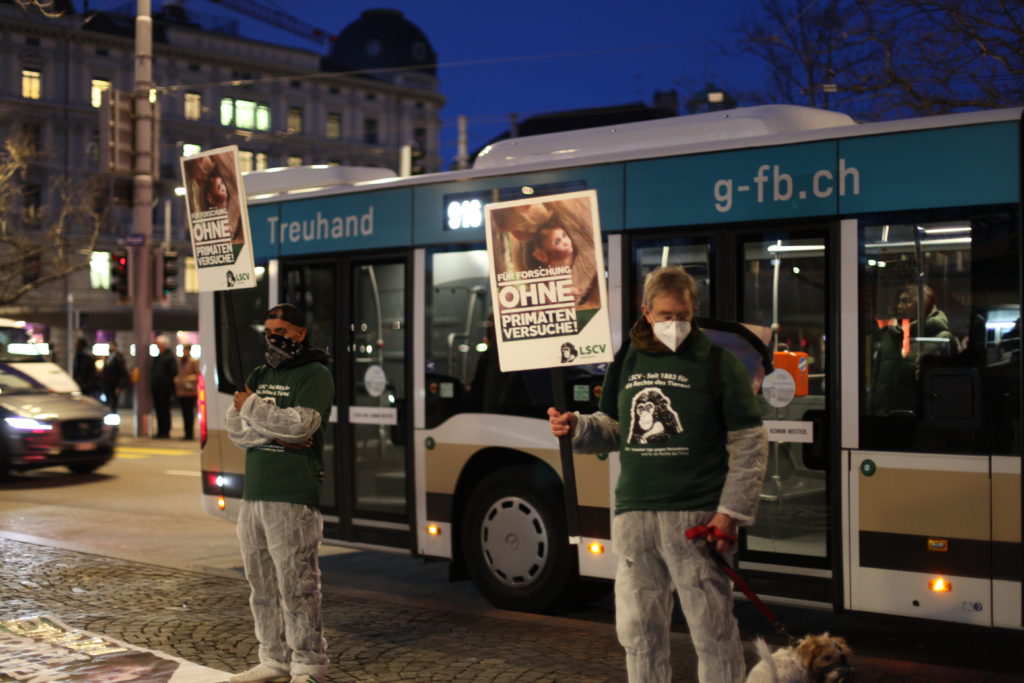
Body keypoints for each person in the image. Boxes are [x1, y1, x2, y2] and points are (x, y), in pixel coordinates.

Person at [547, 266, 768, 683]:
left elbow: (750, 443)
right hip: (635, 516)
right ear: (646, 312)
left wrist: (730, 513)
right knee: (638, 633)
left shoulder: (718, 363)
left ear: (695, 311)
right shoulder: (625, 360)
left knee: (713, 631)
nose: (675, 325)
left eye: (683, 315)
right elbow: (614, 426)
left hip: (697, 517)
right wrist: (578, 427)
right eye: (666, 316)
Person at [225, 303, 333, 683]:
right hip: (254, 491)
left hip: (292, 493)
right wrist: (277, 431)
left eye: (283, 330)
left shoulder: (315, 373)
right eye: (269, 329)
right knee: (261, 583)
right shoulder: (258, 372)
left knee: (297, 583)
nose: (274, 336)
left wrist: (254, 408)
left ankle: (309, 664)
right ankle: (273, 659)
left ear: (301, 333)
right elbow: (236, 430)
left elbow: (302, 425)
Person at [868, 283, 956, 416]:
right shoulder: (889, 335)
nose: (899, 306)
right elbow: (876, 378)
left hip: (920, 418)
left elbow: (950, 385)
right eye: (899, 301)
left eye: (906, 302)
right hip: (884, 416)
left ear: (922, 305)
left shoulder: (942, 338)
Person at [150, 335, 177, 438]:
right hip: (157, 387)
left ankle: (165, 431)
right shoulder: (157, 357)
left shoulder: (169, 357)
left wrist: (166, 383)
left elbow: (173, 372)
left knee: (165, 409)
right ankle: (160, 431)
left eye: (158, 345)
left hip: (165, 388)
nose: (157, 347)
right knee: (158, 410)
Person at [174, 344, 200, 440]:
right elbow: (178, 373)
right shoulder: (180, 361)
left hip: (190, 391)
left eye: (186, 350)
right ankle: (186, 432)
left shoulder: (193, 361)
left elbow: (198, 374)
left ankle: (190, 433)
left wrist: (191, 378)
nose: (185, 352)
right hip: (181, 391)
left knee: (189, 413)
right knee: (184, 413)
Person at [99, 340, 129, 411]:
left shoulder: (118, 357)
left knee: (113, 404)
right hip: (107, 384)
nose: (110, 347)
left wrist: (119, 387)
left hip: (114, 384)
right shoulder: (108, 357)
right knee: (107, 403)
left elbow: (122, 373)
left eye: (111, 346)